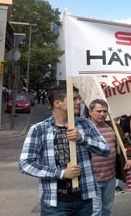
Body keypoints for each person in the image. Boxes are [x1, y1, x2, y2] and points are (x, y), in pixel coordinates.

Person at [19, 85, 110, 215]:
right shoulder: (39, 130)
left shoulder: (85, 124)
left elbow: (105, 150)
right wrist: (61, 173)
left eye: (79, 98)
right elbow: (25, 164)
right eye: (74, 99)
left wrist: (82, 138)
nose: (79, 102)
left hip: (84, 199)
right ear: (57, 103)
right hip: (55, 203)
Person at [89, 99, 131, 215]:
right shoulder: (83, 128)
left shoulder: (114, 127)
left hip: (110, 177)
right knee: (95, 210)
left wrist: (130, 158)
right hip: (91, 178)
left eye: (105, 111)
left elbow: (126, 144)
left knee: (107, 208)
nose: (102, 114)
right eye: (99, 111)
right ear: (90, 112)